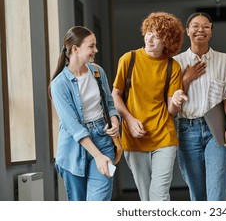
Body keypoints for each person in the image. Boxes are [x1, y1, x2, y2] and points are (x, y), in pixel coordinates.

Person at [112, 11, 187, 201]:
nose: (151, 39)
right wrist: (129, 119)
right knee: (146, 198)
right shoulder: (128, 60)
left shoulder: (173, 67)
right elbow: (116, 96)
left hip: (164, 136)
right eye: (149, 33)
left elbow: (171, 109)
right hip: (134, 137)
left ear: (168, 42)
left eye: (158, 36)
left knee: (159, 195)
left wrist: (177, 100)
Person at [49, 26, 121, 201]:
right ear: (75, 49)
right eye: (91, 46)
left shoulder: (97, 71)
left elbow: (109, 103)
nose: (96, 50)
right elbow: (72, 126)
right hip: (73, 149)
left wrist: (114, 120)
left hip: (103, 139)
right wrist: (97, 156)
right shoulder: (59, 84)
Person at [173, 12, 226, 201]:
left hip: (216, 131)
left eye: (206, 26)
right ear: (187, 31)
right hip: (187, 130)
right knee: (198, 193)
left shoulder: (224, 59)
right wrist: (185, 80)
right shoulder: (177, 63)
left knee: (216, 190)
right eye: (195, 26)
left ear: (211, 32)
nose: (200, 30)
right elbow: (172, 103)